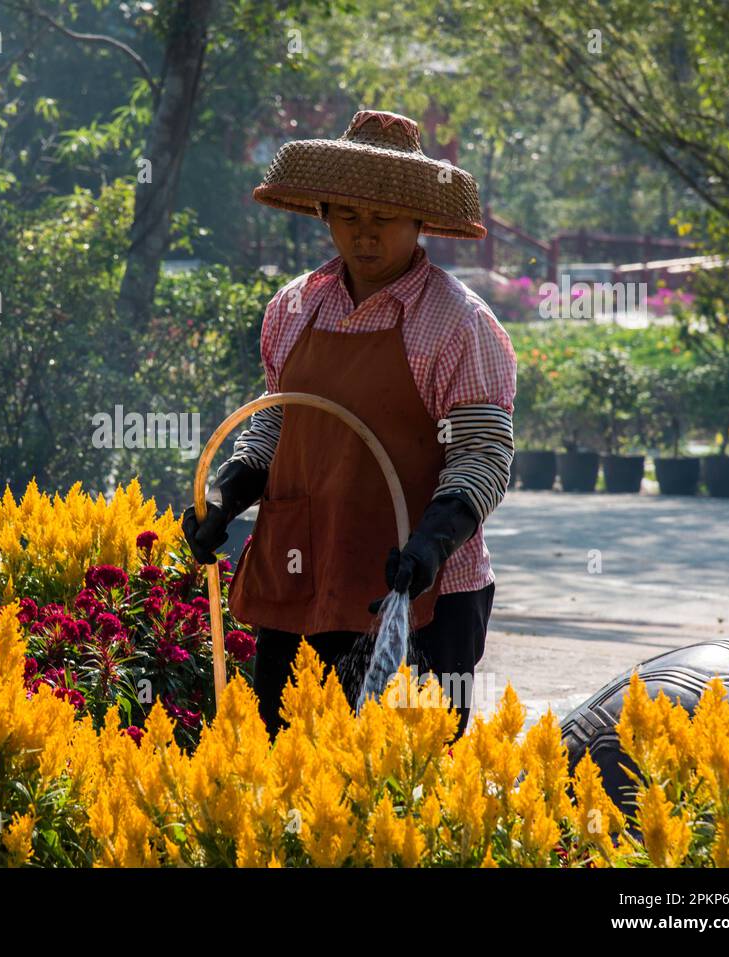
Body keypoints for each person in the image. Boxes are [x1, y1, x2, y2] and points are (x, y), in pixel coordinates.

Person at [183, 109, 516, 741]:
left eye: (384, 218)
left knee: (407, 781)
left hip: (419, 590)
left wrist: (431, 543)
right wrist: (225, 495)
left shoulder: (457, 323)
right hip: (303, 571)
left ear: (420, 223)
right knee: (290, 762)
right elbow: (276, 425)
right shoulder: (294, 306)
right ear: (324, 215)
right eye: (349, 216)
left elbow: (482, 453)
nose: (365, 235)